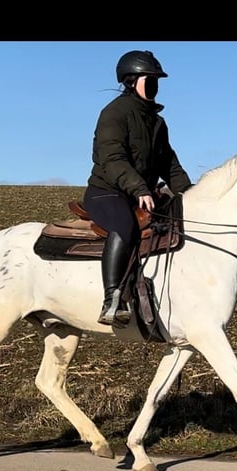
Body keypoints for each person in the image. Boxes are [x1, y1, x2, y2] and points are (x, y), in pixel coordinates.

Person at [83, 49, 193, 327]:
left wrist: (191, 196)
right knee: (125, 226)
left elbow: (170, 166)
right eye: (151, 80)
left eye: (157, 81)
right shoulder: (113, 113)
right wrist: (139, 188)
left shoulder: (157, 122)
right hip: (107, 192)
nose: (155, 87)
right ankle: (112, 298)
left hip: (141, 193)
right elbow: (112, 158)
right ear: (132, 81)